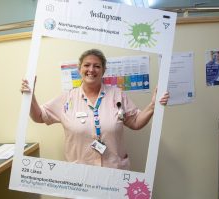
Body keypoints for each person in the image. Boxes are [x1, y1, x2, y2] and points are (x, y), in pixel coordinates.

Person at [21, 49, 169, 170]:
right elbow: (39, 116)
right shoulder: (67, 99)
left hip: (114, 172)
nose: (91, 69)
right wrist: (30, 96)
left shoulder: (117, 95)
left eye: (97, 66)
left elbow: (136, 122)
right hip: (80, 175)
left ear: (103, 71)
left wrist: (153, 105)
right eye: (87, 65)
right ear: (80, 69)